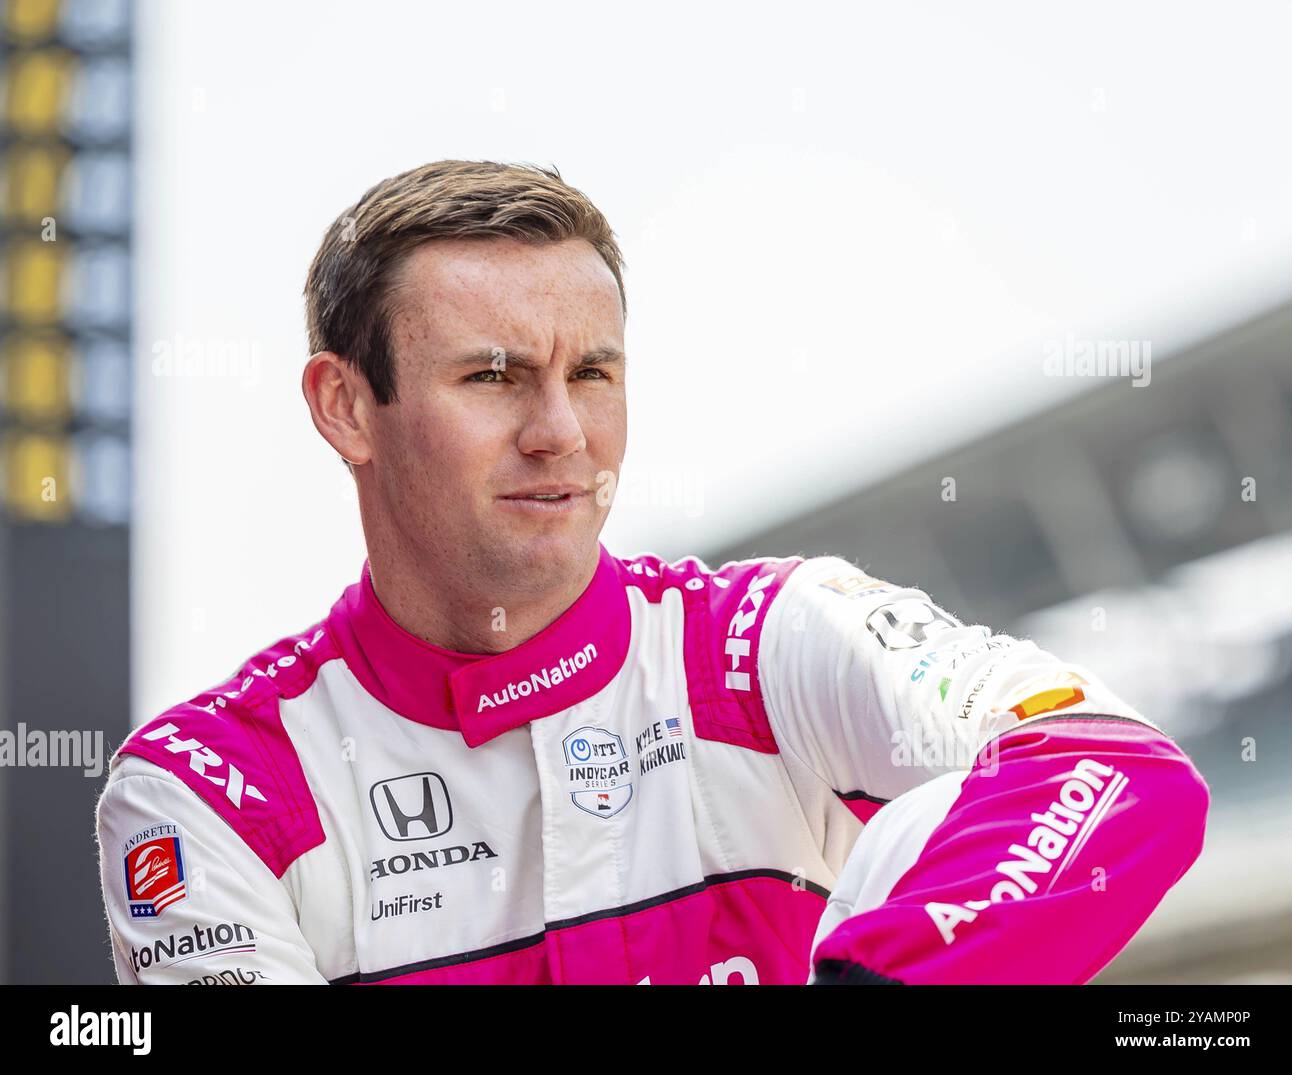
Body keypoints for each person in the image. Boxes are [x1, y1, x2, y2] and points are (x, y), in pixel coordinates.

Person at [95, 160, 1209, 985]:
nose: (560, 432)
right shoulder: (209, 787)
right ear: (347, 408)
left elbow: (1116, 770)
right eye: (492, 377)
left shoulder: (767, 637)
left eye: (592, 372)